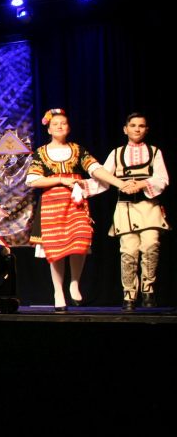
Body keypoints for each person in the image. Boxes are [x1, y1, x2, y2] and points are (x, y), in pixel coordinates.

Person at [26, 108, 129, 312]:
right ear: (49, 129)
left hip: (76, 201)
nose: (60, 126)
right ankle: (58, 292)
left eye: (63, 123)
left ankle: (74, 282)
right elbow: (33, 180)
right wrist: (61, 179)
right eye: (55, 124)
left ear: (69, 127)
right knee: (56, 247)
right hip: (53, 203)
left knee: (80, 238)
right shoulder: (41, 153)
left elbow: (96, 169)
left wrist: (120, 183)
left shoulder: (77, 150)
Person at [87, 112, 170, 311]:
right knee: (128, 251)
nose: (137, 129)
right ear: (125, 129)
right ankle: (129, 294)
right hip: (125, 208)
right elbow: (103, 177)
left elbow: (162, 179)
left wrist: (141, 184)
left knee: (151, 245)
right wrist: (80, 187)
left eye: (141, 126)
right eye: (133, 125)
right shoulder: (117, 153)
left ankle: (148, 289)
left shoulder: (154, 152)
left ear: (146, 129)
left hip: (148, 206)